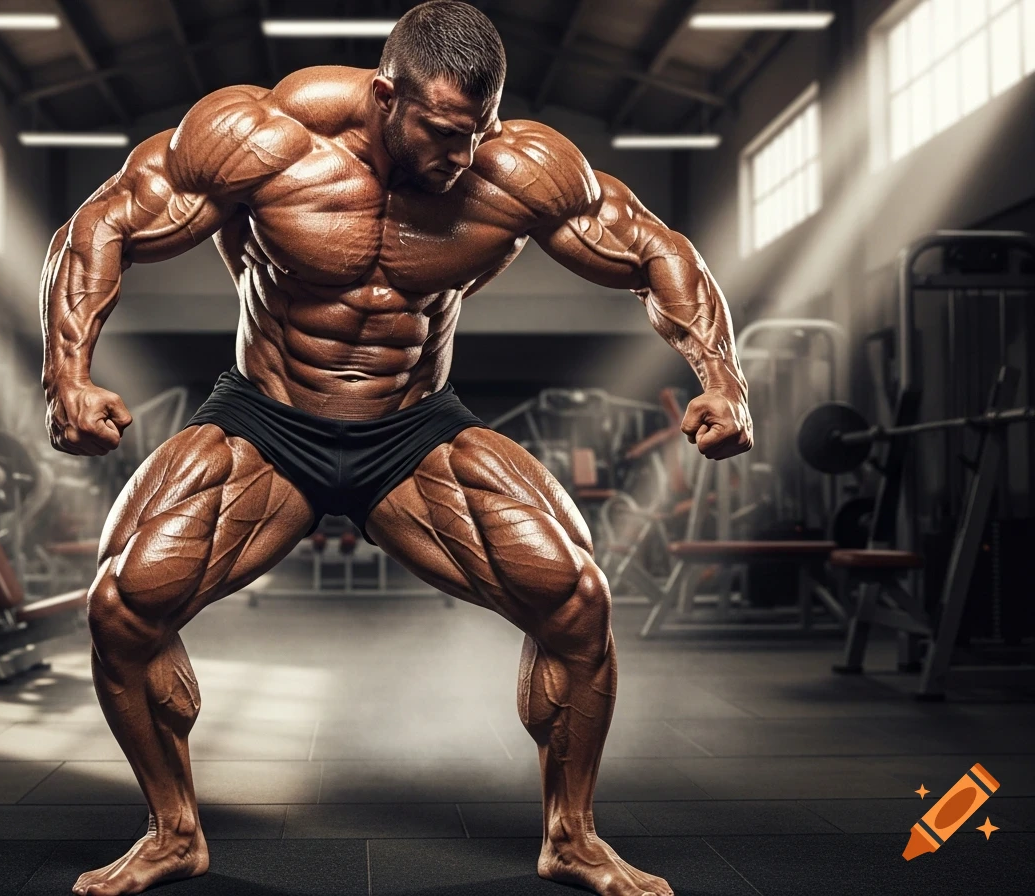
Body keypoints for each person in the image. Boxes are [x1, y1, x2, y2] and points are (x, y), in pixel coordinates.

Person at [39, 3, 751, 894]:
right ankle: (173, 830)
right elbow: (98, 227)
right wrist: (67, 375)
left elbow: (654, 249)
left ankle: (571, 837)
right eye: (443, 132)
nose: (460, 156)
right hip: (271, 422)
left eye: (476, 132)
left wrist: (722, 379)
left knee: (576, 598)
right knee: (120, 604)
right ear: (386, 96)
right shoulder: (261, 136)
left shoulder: (513, 168)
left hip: (412, 430)